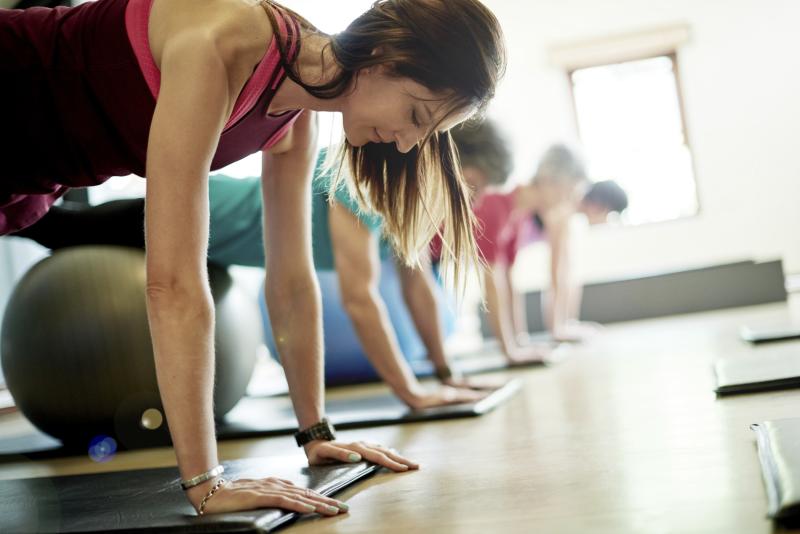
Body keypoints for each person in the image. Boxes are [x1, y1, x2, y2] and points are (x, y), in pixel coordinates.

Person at [1, 0, 506, 516]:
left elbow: (291, 281)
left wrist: (316, 433)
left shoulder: (297, 118)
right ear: (381, 57)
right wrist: (206, 483)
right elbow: (172, 283)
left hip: (32, 169)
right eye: (416, 115)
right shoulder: (221, 43)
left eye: (427, 133)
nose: (406, 146)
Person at [13, 151, 487, 409]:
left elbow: (418, 288)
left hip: (206, 247)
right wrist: (412, 394)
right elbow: (360, 299)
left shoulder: (407, 215)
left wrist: (446, 377)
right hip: (186, 213)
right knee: (46, 226)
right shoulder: (362, 188)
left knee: (50, 224)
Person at [432, 141, 629, 361]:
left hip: (435, 260)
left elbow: (508, 282)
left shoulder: (517, 217)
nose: (572, 200)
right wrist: (511, 352)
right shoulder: (498, 201)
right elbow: (492, 282)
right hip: (417, 255)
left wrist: (521, 342)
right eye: (571, 191)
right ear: (550, 181)